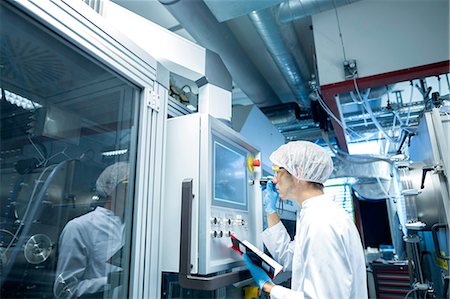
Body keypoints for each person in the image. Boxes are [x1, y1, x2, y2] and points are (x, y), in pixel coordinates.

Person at [243, 141, 367, 298]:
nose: (274, 180)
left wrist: (270, 288)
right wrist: (271, 210)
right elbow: (290, 259)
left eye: (277, 171)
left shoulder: (321, 221)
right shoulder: (315, 214)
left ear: (298, 172)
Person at [53, 162, 129, 299]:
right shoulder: (79, 227)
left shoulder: (134, 228)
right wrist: (111, 281)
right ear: (111, 189)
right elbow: (64, 290)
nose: (134, 190)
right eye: (127, 184)